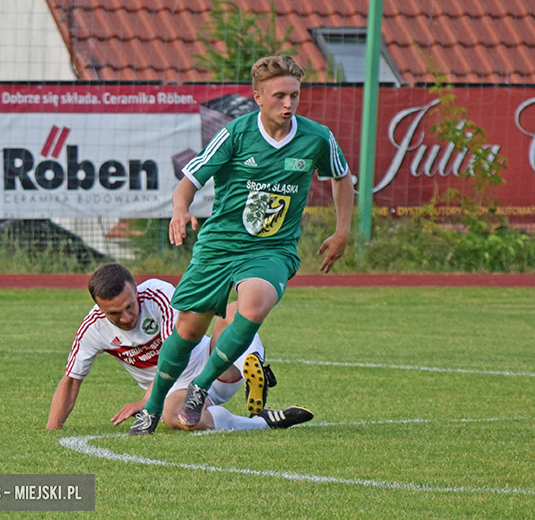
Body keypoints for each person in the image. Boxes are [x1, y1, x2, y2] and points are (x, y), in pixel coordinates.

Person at [130, 55, 352, 434]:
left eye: (294, 95)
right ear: (257, 97)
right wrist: (180, 210)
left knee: (253, 305)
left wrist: (342, 230)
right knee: (187, 331)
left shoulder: (317, 137)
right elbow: (189, 180)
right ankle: (151, 409)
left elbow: (342, 178)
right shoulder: (235, 133)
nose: (288, 104)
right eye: (279, 95)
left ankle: (201, 386)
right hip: (220, 244)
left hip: (272, 249)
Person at [47, 263, 312, 434]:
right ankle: (261, 423)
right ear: (99, 307)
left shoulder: (158, 294)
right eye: (115, 313)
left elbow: (174, 354)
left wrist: (146, 403)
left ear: (136, 291)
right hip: (177, 390)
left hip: (214, 364)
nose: (126, 317)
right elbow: (71, 381)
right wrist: (52, 429)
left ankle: (253, 365)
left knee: (231, 312)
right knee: (177, 419)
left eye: (130, 306)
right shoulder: (92, 328)